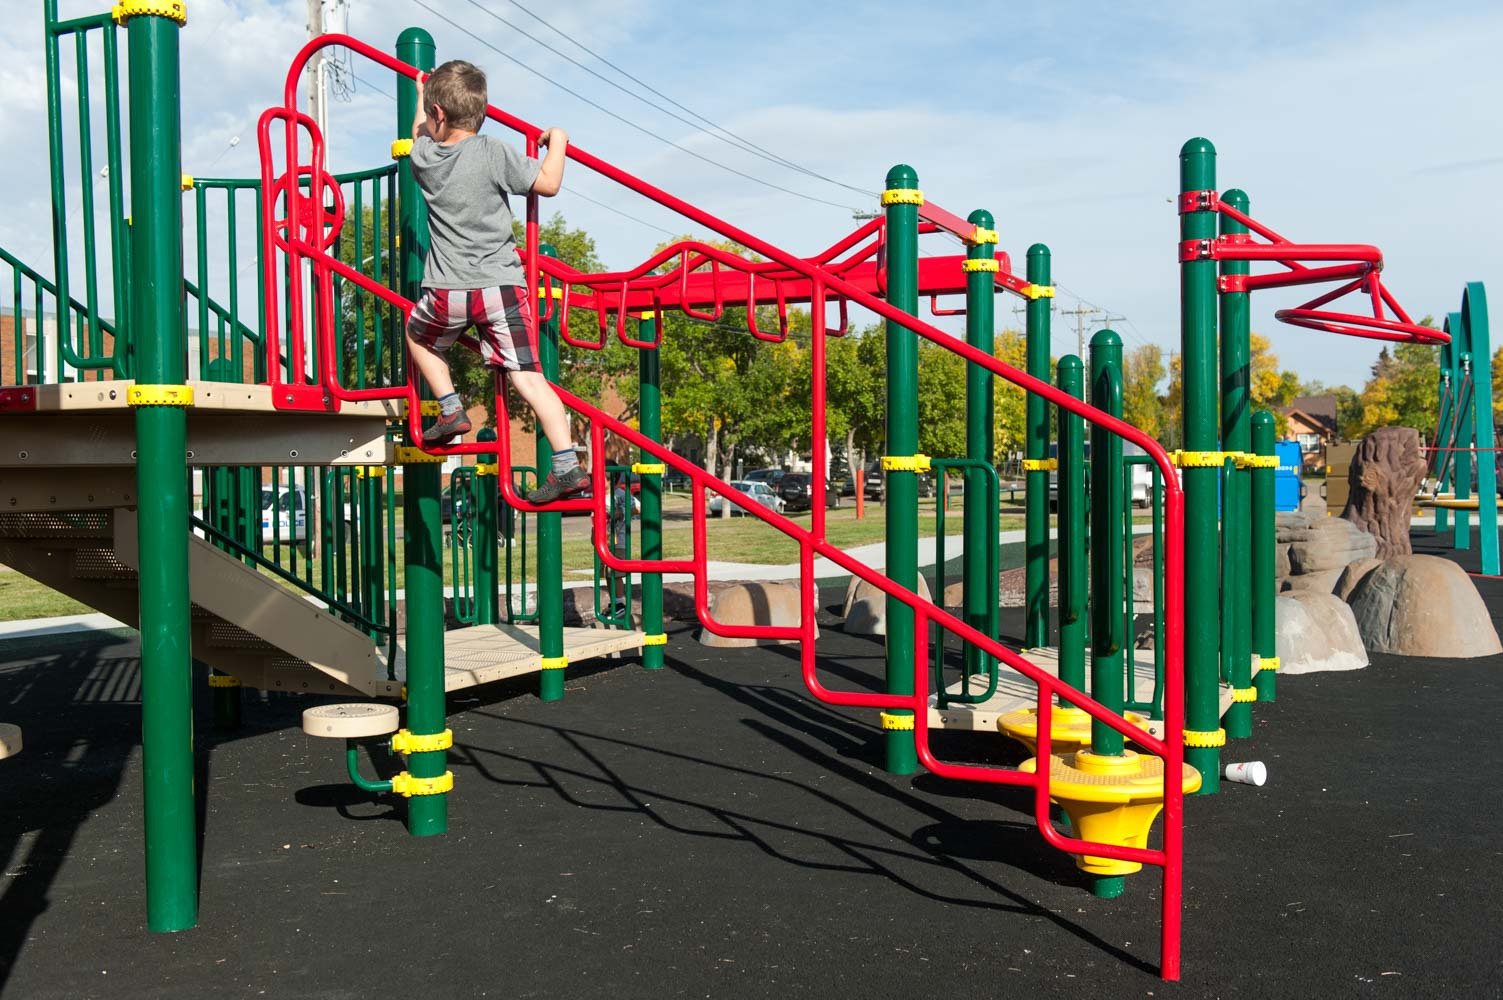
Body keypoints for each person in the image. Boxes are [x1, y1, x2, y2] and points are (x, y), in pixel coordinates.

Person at [403, 59, 587, 504]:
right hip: (501, 288)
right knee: (528, 377)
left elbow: (418, 132)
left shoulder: (423, 158)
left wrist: (417, 92)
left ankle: (450, 408)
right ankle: (566, 465)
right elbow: (548, 183)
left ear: (437, 114)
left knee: (418, 336)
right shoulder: (494, 151)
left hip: (448, 291)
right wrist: (557, 140)